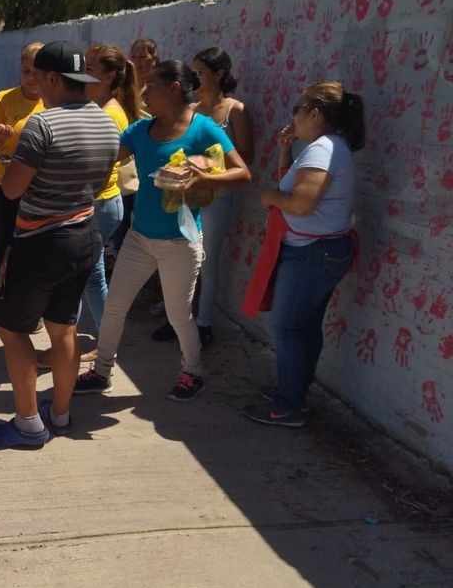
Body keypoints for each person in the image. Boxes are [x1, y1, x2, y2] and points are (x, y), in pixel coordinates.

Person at [75, 60, 251, 401]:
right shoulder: (141, 130)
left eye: (152, 87)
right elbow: (107, 157)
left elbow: (242, 173)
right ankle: (101, 372)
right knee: (115, 307)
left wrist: (204, 178)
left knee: (178, 315)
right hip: (139, 238)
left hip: (180, 242)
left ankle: (193, 372)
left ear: (173, 88)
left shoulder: (203, 129)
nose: (144, 95)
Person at [0, 41, 118, 448]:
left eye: (39, 77)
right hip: (85, 235)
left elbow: (11, 189)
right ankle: (59, 414)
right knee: (64, 329)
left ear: (53, 79)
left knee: (11, 330)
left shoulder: (43, 124)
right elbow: (99, 182)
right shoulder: (106, 120)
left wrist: (11, 161)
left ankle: (28, 424)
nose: (36, 85)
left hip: (41, 241)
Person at [243, 81, 363, 427]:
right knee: (304, 327)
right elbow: (297, 189)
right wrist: (286, 153)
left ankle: (289, 405)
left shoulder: (323, 148)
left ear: (315, 113)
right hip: (321, 250)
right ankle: (294, 391)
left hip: (312, 253)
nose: (292, 117)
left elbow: (300, 203)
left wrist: (269, 197)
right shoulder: (326, 147)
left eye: (297, 109)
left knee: (287, 328)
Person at [151, 47, 253, 348]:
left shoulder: (235, 110)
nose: (195, 78)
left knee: (206, 260)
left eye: (201, 72)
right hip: (185, 195)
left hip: (217, 195)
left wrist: (209, 164)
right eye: (193, 72)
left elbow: (246, 157)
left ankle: (204, 323)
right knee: (180, 258)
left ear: (219, 74)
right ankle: (178, 319)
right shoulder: (192, 109)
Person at [0, 42, 45, 331]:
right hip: (6, 187)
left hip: (41, 192)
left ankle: (32, 311)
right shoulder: (4, 99)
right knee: (3, 246)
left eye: (38, 71)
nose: (32, 77)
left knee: (36, 251)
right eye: (26, 70)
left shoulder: (54, 101)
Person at [78, 43, 143, 359]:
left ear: (109, 76)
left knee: (84, 277)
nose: (82, 72)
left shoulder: (109, 114)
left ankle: (91, 347)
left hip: (99, 205)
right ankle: (101, 345)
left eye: (90, 67)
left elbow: (104, 171)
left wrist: (78, 198)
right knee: (90, 276)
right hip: (100, 204)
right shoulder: (99, 106)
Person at [109, 38, 159, 258]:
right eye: (134, 56)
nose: (138, 61)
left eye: (143, 56)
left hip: (147, 161)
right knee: (120, 221)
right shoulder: (121, 89)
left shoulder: (157, 88)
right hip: (124, 163)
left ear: (154, 59)